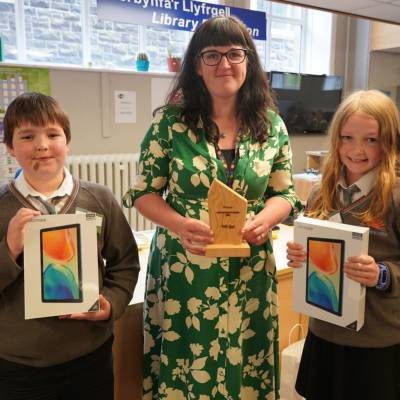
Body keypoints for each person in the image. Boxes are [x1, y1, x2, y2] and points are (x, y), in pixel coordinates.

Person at [123, 16, 301, 399]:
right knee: (189, 360)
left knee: (246, 356)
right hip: (186, 270)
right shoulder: (170, 125)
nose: (225, 64)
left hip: (250, 267)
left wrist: (265, 218)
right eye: (212, 55)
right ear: (196, 65)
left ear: (249, 61)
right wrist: (179, 223)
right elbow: (142, 194)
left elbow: (285, 194)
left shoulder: (271, 125)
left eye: (235, 54)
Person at [0, 92, 140, 400]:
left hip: (89, 357)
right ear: (9, 146)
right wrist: (9, 248)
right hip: (18, 365)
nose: (42, 145)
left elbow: (126, 264)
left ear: (68, 141)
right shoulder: (2, 207)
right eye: (27, 136)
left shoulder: (99, 199)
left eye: (53, 134)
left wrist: (111, 304)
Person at [287, 90, 400, 400]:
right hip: (324, 334)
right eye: (347, 137)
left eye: (371, 140)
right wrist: (300, 256)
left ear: (389, 141)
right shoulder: (318, 194)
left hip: (376, 343)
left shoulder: (395, 197)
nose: (357, 150)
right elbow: (314, 254)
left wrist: (382, 274)